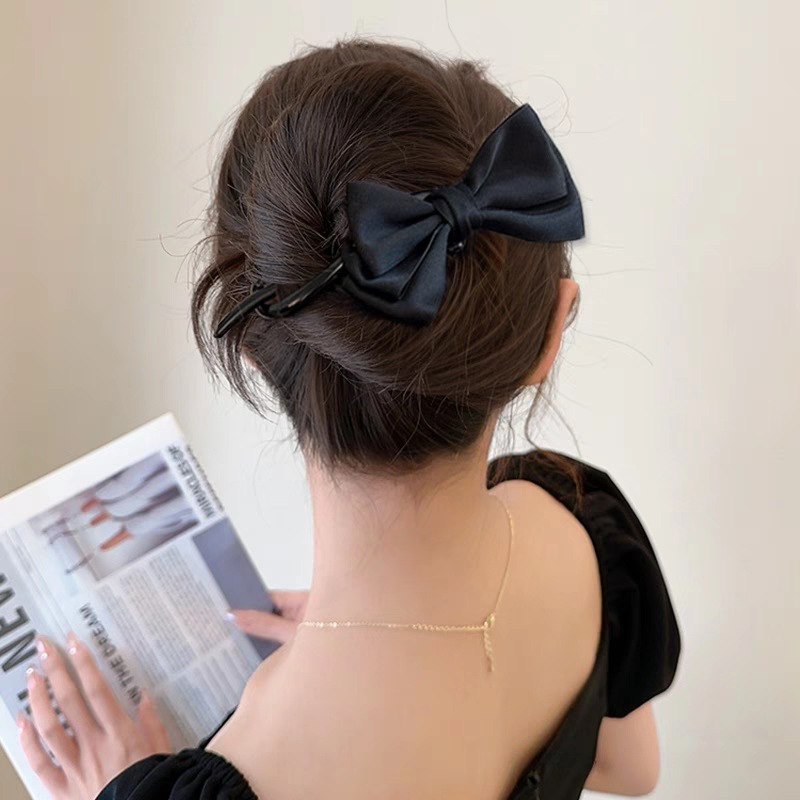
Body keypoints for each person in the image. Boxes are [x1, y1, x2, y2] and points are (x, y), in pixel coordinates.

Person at [19, 38, 681, 800]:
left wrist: (116, 789)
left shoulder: (237, 774)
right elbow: (634, 771)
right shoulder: (580, 532)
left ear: (255, 352)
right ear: (550, 336)